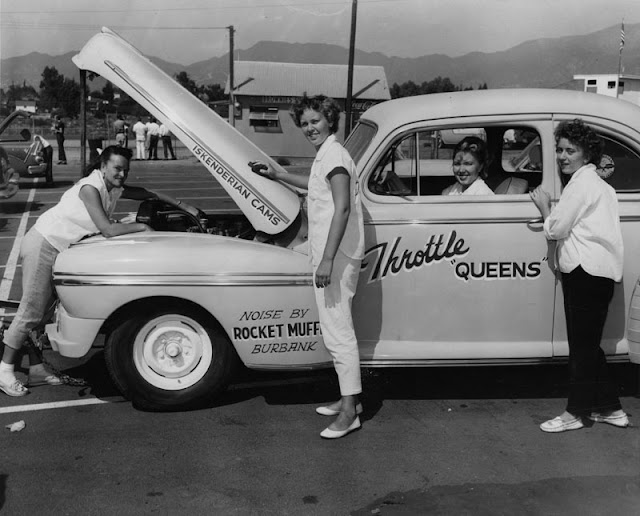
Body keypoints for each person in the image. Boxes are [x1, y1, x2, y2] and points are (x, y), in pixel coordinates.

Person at [0, 146, 201, 397]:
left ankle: (36, 367)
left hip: (60, 249)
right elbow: (106, 229)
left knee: (43, 315)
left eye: (126, 170)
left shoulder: (111, 187)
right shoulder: (90, 188)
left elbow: (148, 193)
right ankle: (5, 370)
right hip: (44, 244)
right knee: (30, 311)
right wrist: (141, 227)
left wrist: (183, 205)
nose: (122, 174)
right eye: (117, 168)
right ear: (103, 166)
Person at [250, 94, 365, 439]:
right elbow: (316, 186)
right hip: (333, 252)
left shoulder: (335, 156)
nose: (310, 128)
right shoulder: (327, 154)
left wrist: (328, 259)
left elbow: (342, 208)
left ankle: (350, 412)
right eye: (304, 123)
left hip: (338, 254)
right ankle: (350, 400)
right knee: (335, 328)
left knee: (338, 331)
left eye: (315, 120)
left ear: (330, 118)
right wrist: (279, 175)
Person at [530, 119, 628, 432]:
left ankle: (575, 413)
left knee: (582, 348)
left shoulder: (581, 184)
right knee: (589, 345)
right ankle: (611, 409)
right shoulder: (601, 185)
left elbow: (557, 227)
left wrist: (545, 207)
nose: (562, 156)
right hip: (600, 275)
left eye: (570, 150)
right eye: (559, 149)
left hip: (584, 273)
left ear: (586, 155)